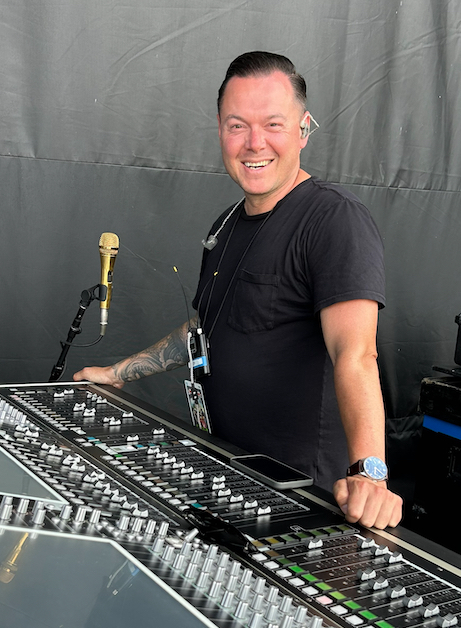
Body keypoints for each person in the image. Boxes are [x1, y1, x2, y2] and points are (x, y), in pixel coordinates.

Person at [74, 51, 402, 530]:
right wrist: (119, 371)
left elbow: (357, 354)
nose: (254, 144)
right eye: (236, 126)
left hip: (304, 500)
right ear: (220, 131)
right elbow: (208, 328)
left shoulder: (334, 219)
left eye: (272, 124)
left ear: (303, 129)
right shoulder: (226, 225)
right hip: (230, 478)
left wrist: (369, 472)